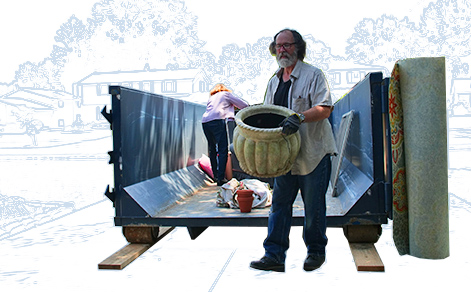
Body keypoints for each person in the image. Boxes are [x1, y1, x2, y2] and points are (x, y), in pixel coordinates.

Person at [249, 29, 337, 272]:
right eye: (278, 46)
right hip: (284, 157)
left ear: (298, 48)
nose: (282, 50)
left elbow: (325, 108)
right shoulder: (274, 81)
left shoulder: (313, 75)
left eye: (287, 45)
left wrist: (299, 117)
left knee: (314, 206)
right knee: (279, 205)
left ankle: (316, 252)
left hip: (312, 154)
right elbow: (268, 116)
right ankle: (274, 255)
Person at [202, 83, 249, 186]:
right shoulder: (226, 94)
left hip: (205, 121)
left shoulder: (212, 97)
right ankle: (220, 178)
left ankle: (215, 175)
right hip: (218, 120)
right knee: (223, 149)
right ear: (224, 89)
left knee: (212, 149)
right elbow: (244, 105)